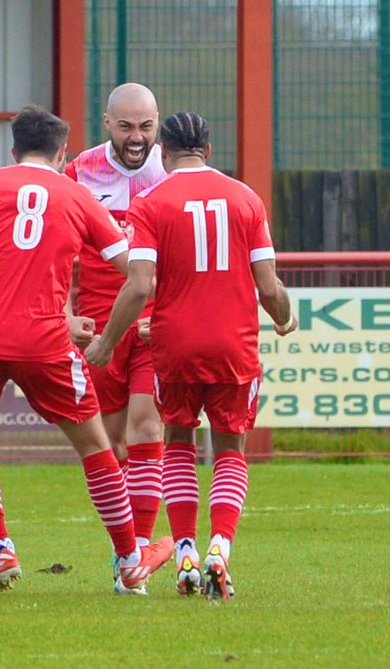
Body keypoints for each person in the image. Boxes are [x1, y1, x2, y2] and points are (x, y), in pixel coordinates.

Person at [0, 105, 173, 596]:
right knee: (96, 448)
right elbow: (137, 274)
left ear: (13, 150)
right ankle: (130, 562)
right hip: (43, 340)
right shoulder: (78, 196)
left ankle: (1, 550)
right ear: (63, 152)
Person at [85, 112, 298, 601]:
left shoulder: (152, 202)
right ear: (209, 148)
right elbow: (269, 288)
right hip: (234, 345)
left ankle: (184, 549)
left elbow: (139, 286)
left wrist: (106, 341)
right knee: (230, 447)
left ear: (163, 148)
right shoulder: (246, 199)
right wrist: (285, 315)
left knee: (177, 441)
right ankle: (220, 546)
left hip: (175, 344)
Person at [64, 82, 168, 594]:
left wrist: (172, 313)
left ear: (158, 124)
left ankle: (138, 562)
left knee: (149, 427)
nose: (136, 137)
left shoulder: (172, 175)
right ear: (106, 123)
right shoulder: (78, 173)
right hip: (98, 332)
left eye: (146, 126)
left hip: (154, 325)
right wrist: (65, 314)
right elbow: (58, 254)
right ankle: (125, 550)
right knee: (113, 445)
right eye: (126, 126)